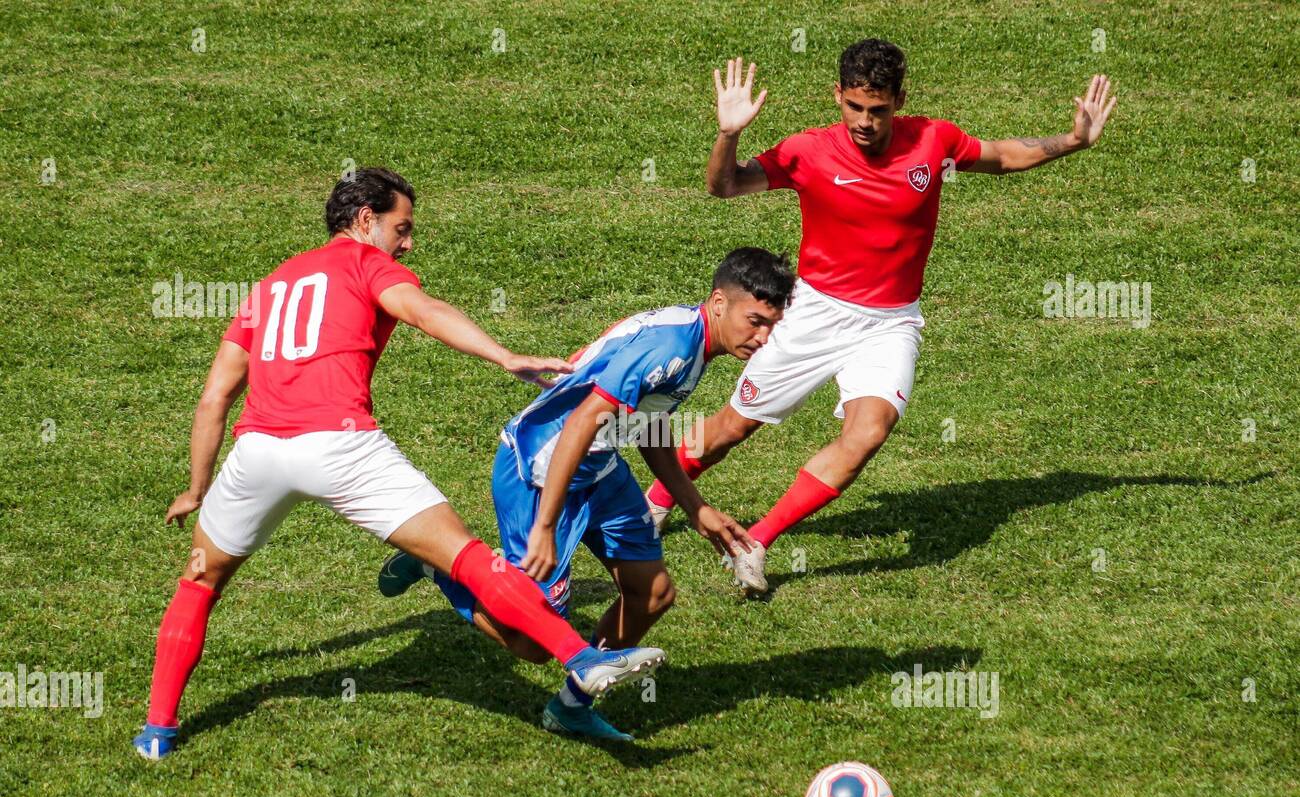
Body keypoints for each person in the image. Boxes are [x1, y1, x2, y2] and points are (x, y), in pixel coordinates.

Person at [133, 167, 665, 760]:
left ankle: (158, 731)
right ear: (365, 221)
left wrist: (196, 487)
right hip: (340, 447)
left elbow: (215, 397)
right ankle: (582, 659)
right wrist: (503, 354)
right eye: (401, 228)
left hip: (257, 454)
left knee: (199, 583)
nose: (408, 243)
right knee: (464, 556)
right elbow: (422, 310)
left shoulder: (270, 285)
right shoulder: (367, 265)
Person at [645, 40, 1118, 593]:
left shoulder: (933, 139)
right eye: (854, 107)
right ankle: (655, 501)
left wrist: (1073, 140)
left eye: (879, 110)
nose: (865, 122)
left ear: (899, 101)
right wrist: (729, 134)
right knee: (735, 425)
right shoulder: (809, 151)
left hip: (891, 323)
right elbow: (722, 186)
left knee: (868, 433)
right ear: (837, 96)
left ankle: (755, 543)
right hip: (815, 314)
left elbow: (1003, 155)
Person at [379, 248, 795, 740]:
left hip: (598, 467)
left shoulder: (693, 340)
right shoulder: (671, 347)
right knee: (532, 639)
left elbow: (647, 422)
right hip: (540, 472)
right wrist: (547, 527)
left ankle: (571, 706)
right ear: (721, 301)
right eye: (755, 321)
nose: (763, 338)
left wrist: (695, 506)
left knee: (653, 593)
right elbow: (581, 423)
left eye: (772, 325)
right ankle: (441, 566)